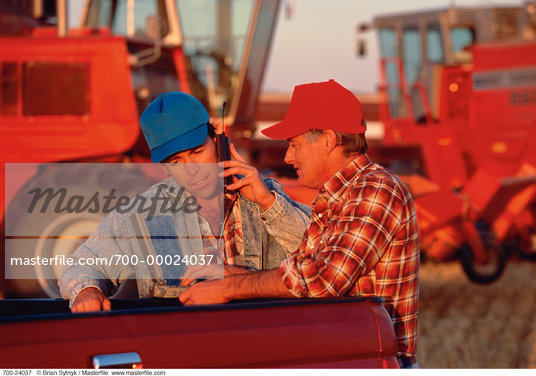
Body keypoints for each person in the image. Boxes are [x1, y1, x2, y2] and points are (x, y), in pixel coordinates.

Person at [179, 80, 420, 367]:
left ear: (329, 140)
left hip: (373, 359)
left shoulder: (376, 189)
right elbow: (304, 271)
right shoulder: (339, 196)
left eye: (294, 145)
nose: (287, 156)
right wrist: (232, 273)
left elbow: (320, 281)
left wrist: (228, 288)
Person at [59, 91, 311, 313]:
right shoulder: (141, 214)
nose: (192, 170)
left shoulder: (267, 195)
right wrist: (86, 291)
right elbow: (84, 264)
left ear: (218, 142)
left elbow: (323, 255)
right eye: (176, 162)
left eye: (197, 152)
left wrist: (268, 204)